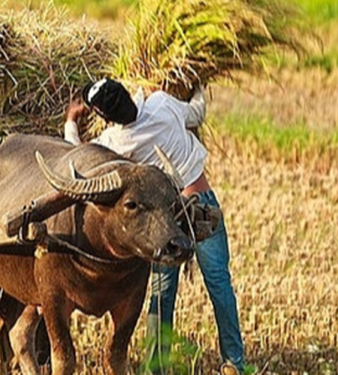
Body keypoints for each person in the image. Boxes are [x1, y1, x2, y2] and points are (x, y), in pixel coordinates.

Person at [64, 78, 250, 375]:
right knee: (219, 284)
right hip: (202, 204)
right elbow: (197, 113)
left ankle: (157, 368)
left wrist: (71, 122)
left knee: (162, 292)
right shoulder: (162, 103)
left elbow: (79, 159)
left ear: (105, 117)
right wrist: (196, 83)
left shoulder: (115, 142)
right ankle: (233, 363)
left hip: (165, 219)